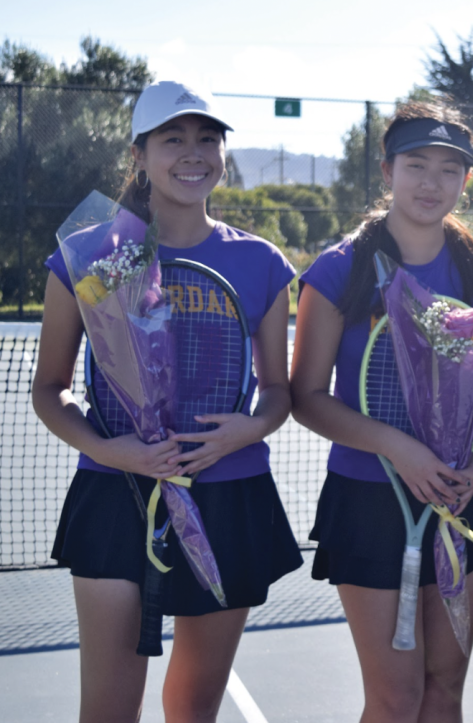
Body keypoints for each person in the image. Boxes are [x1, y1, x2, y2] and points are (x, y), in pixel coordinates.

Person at [32, 81, 301, 722]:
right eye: (173, 138)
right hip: (114, 493)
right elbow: (49, 389)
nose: (193, 152)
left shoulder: (259, 261)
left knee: (194, 706)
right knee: (107, 709)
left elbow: (279, 391)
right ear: (141, 152)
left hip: (230, 492)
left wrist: (248, 430)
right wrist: (109, 449)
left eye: (208, 138)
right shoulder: (91, 254)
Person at [289, 100, 473, 722]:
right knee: (396, 700)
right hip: (370, 504)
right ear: (388, 170)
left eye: (449, 169)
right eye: (417, 164)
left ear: (466, 182)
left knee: (445, 691)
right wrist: (399, 447)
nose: (431, 182)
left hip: (464, 500)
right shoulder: (340, 271)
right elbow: (305, 397)